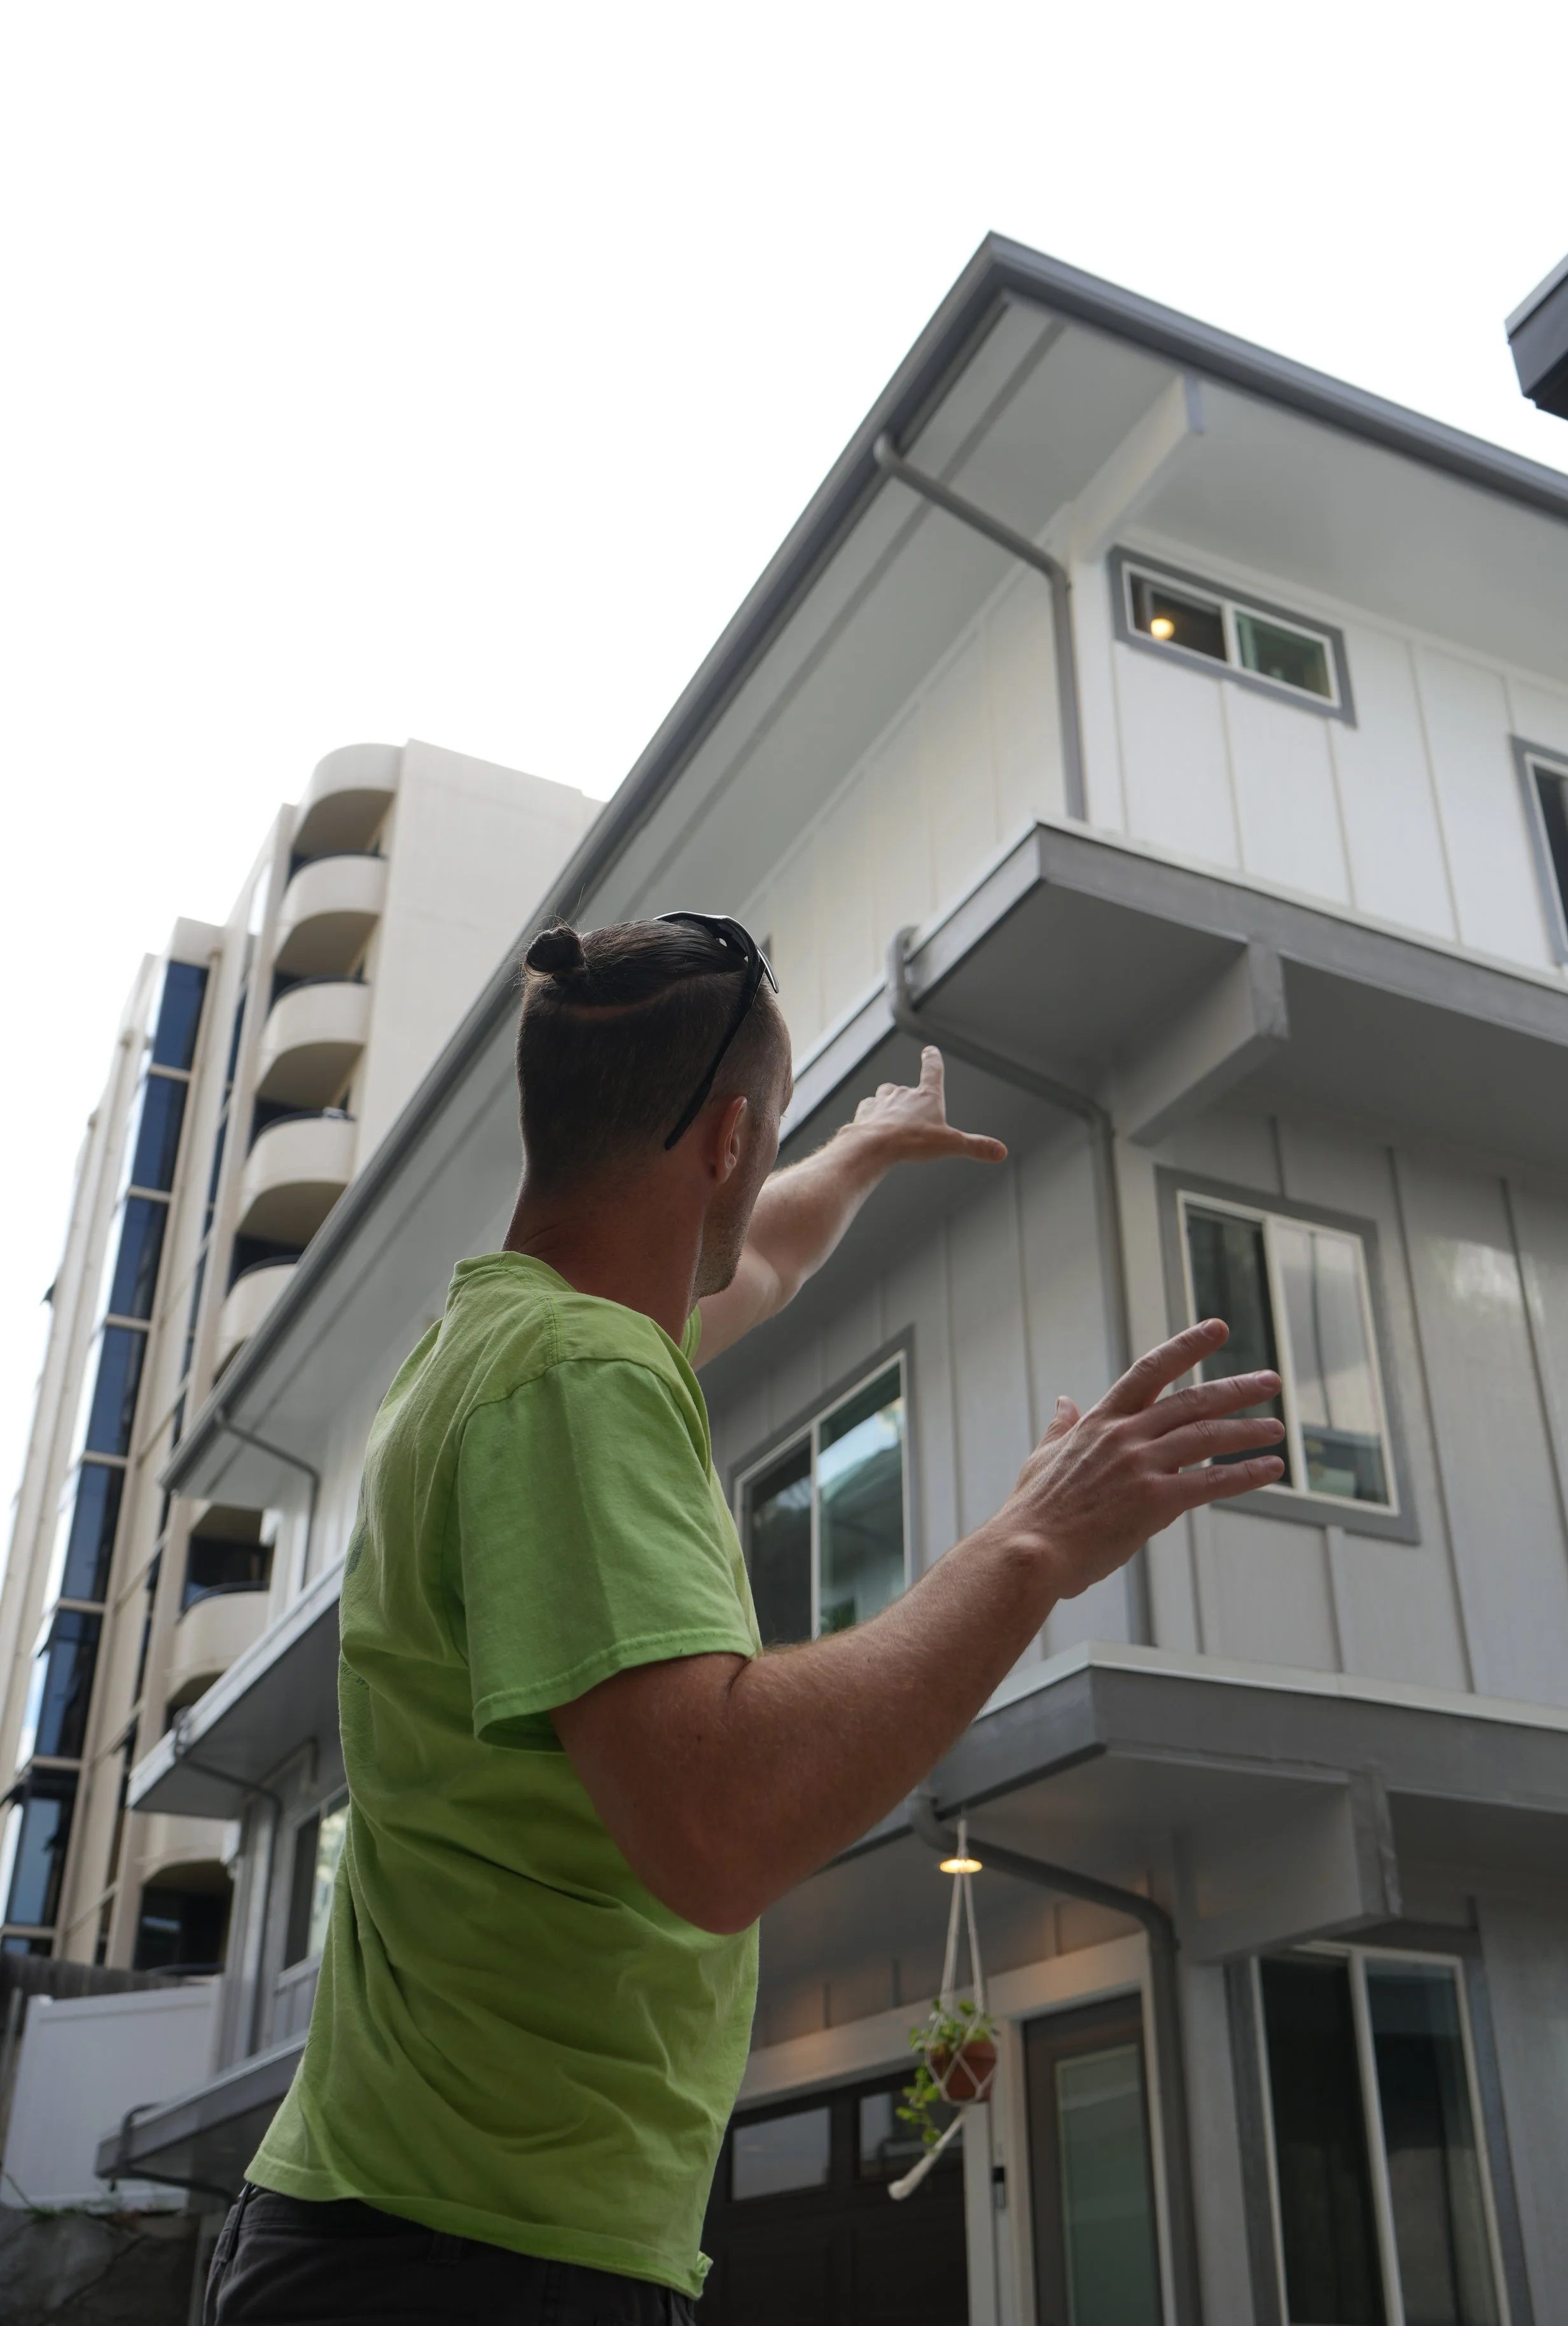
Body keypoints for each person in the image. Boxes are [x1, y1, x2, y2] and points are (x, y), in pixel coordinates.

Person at [207, 912, 1283, 2324]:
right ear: (723, 1140)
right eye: (766, 1137)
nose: (767, 1166)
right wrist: (1032, 1544)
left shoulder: (503, 1337)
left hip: (433, 2231)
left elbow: (757, 1257)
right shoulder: (576, 1377)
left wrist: (855, 1147)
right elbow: (714, 1827)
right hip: (464, 2260)